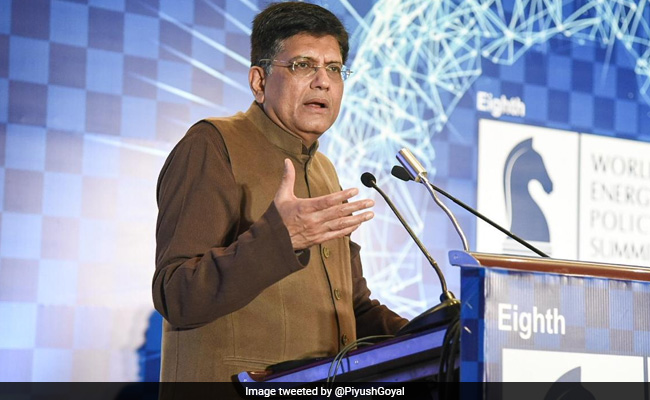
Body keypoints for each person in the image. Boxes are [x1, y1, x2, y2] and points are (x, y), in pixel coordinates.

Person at [153, 1, 407, 383]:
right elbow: (176, 294)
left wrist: (442, 335)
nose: (323, 81)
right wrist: (280, 238)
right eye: (303, 65)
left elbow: (352, 308)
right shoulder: (213, 145)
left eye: (334, 69)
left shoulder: (324, 170)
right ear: (259, 81)